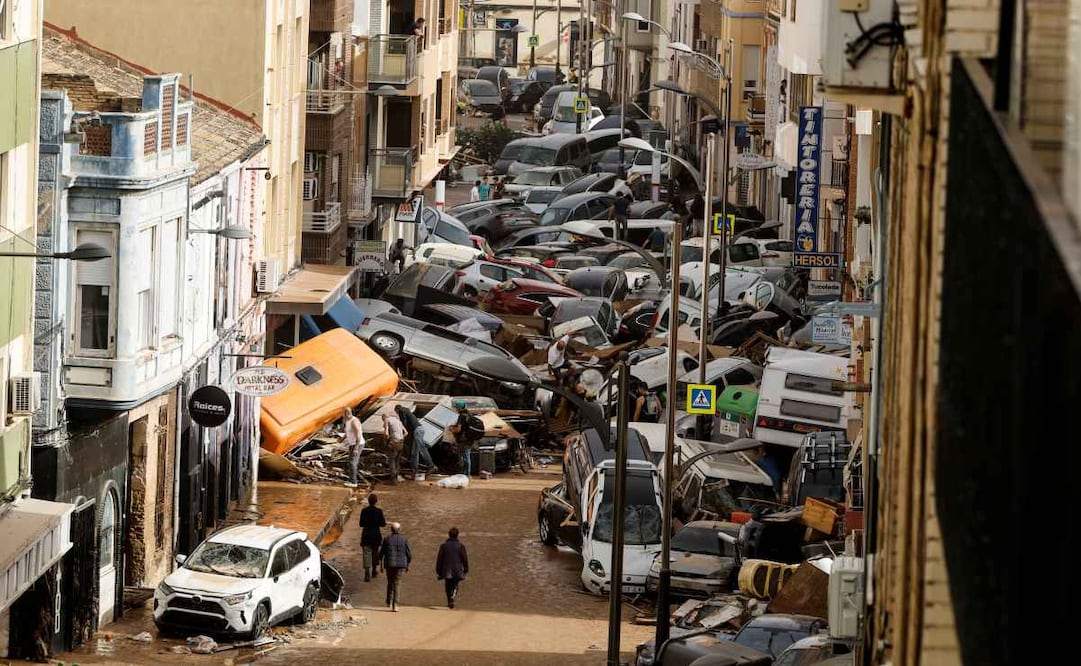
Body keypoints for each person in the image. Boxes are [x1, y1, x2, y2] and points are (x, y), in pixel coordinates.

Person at [379, 522, 412, 611]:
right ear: (399, 530)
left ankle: (388, 601)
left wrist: (381, 565)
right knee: (397, 583)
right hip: (401, 565)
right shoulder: (404, 540)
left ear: (391, 530)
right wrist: (408, 564)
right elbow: (409, 554)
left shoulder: (387, 539)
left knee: (390, 582)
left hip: (389, 564)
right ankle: (395, 605)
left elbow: (381, 553)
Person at [396, 404, 434, 480]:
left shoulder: (402, 411)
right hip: (419, 429)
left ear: (397, 409)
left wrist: (402, 433)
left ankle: (431, 466)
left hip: (417, 430)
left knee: (421, 448)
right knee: (414, 452)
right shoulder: (407, 410)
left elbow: (404, 423)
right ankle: (415, 471)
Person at [436, 527, 470, 609]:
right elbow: (464, 558)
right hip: (457, 569)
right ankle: (453, 596)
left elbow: (440, 559)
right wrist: (466, 569)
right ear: (457, 535)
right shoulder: (461, 546)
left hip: (446, 569)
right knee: (455, 584)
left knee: (447, 585)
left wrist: (438, 570)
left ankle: (449, 601)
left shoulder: (443, 546)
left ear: (449, 535)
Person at [358, 493, 386, 582]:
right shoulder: (379, 511)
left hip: (366, 535)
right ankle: (374, 570)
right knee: (375, 553)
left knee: (366, 553)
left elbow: (361, 524)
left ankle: (367, 572)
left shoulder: (364, 511)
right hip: (376, 535)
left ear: (369, 501)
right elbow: (383, 524)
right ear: (376, 501)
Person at [343, 407, 365, 488]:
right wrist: (342, 438)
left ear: (348, 413)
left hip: (357, 444)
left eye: (344, 414)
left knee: (352, 462)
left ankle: (354, 482)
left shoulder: (354, 421)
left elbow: (358, 434)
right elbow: (348, 432)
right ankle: (351, 479)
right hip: (352, 444)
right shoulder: (348, 421)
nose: (343, 416)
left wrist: (356, 447)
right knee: (351, 462)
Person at [382, 412, 406, 484]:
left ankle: (393, 479)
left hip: (394, 443)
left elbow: (386, 433)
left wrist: (386, 441)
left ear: (384, 418)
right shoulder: (398, 421)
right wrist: (400, 438)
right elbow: (406, 433)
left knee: (391, 460)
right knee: (397, 460)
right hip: (401, 442)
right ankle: (398, 477)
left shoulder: (387, 420)